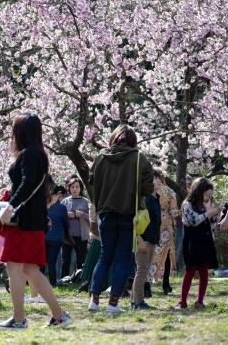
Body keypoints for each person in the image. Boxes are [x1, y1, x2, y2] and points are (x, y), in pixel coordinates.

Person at [0, 113, 71, 329]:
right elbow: (29, 183)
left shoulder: (28, 154)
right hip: (33, 219)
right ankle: (59, 315)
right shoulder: (37, 154)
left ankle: (19, 319)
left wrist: (10, 204)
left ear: (21, 132)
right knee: (29, 269)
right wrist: (10, 191)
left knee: (14, 267)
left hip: (24, 221)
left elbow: (27, 184)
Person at [88, 124, 154, 313]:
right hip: (128, 214)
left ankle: (94, 301)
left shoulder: (101, 157)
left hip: (106, 213)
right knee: (122, 259)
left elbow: (92, 180)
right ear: (132, 140)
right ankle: (113, 304)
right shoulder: (138, 158)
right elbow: (148, 188)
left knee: (104, 256)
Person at [177, 178, 220, 309]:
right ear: (198, 191)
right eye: (206, 194)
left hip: (206, 240)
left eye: (210, 194)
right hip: (192, 241)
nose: (208, 197)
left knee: (204, 271)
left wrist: (214, 218)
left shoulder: (207, 203)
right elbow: (193, 221)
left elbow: (211, 225)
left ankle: (200, 301)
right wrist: (208, 213)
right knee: (190, 270)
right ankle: (182, 301)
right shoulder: (187, 204)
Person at [131, 169, 162, 310]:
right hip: (144, 240)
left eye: (159, 177)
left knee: (143, 270)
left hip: (152, 239)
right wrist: (140, 240)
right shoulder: (145, 199)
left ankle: (134, 300)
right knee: (142, 270)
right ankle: (138, 302)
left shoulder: (156, 199)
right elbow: (136, 221)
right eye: (154, 177)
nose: (158, 180)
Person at [148, 168, 178, 296]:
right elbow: (174, 212)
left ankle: (147, 283)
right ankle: (165, 283)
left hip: (150, 225)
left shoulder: (147, 191)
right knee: (165, 254)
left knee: (151, 254)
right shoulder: (170, 191)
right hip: (165, 226)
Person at [61, 176, 90, 278]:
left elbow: (91, 218)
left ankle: (78, 280)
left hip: (81, 236)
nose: (75, 189)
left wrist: (82, 214)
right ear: (69, 189)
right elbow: (60, 216)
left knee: (81, 260)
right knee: (66, 260)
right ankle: (64, 280)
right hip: (67, 235)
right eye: (72, 187)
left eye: (77, 187)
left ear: (80, 189)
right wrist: (67, 215)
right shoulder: (65, 201)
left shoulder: (85, 201)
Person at [44, 185, 68, 286]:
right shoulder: (62, 208)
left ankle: (38, 284)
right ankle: (52, 283)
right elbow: (66, 224)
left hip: (44, 236)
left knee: (42, 262)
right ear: (59, 195)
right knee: (51, 262)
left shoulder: (45, 206)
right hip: (56, 238)